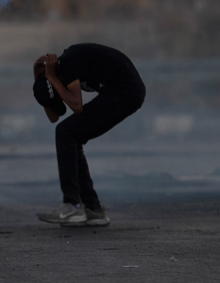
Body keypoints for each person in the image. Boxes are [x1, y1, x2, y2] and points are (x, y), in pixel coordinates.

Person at [32, 43, 146, 226]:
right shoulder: (57, 75)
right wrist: (39, 76)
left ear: (57, 77)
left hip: (125, 90)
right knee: (69, 134)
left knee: (66, 132)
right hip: (120, 91)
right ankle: (93, 209)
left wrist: (50, 76)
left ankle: (72, 205)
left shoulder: (69, 62)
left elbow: (77, 106)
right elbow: (53, 117)